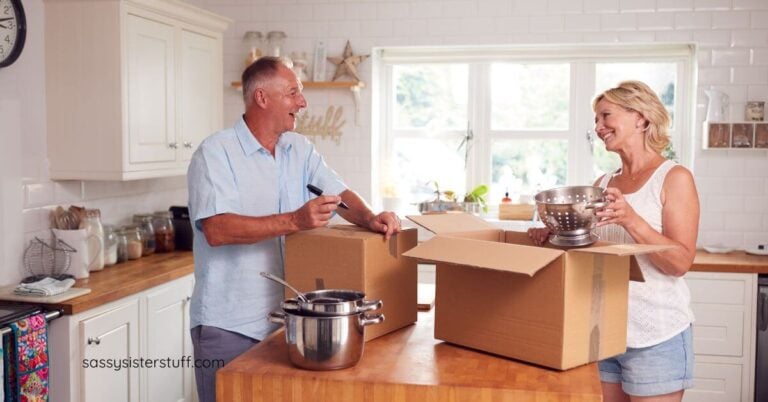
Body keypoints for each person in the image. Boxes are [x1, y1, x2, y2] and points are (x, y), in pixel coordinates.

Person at [186, 56, 401, 402]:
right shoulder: (215, 153)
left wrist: (369, 217)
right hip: (229, 326)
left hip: (286, 323)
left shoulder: (298, 149)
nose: (302, 102)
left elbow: (338, 193)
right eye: (292, 93)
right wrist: (296, 220)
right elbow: (217, 229)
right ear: (261, 97)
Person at [528, 80, 699, 402]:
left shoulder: (674, 178)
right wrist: (554, 234)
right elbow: (594, 252)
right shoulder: (603, 183)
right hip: (604, 333)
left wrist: (631, 219)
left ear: (641, 118)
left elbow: (680, 263)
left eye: (606, 115)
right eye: (596, 119)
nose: (598, 127)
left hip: (656, 336)